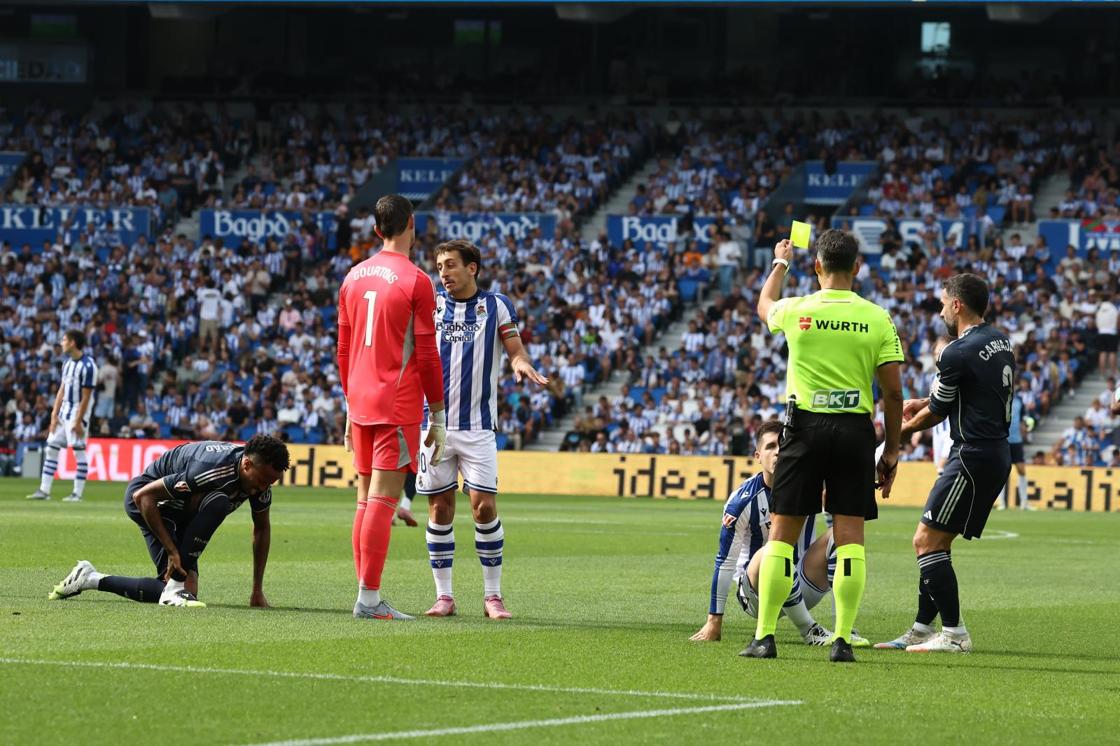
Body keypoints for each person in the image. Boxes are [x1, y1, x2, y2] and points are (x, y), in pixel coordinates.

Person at [742, 231, 904, 663]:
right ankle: (844, 641)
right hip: (855, 431)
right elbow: (893, 394)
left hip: (804, 428)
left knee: (782, 534)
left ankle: (765, 638)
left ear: (817, 267)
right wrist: (891, 451)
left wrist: (780, 263)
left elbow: (763, 306)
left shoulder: (797, 309)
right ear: (857, 268)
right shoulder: (878, 318)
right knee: (850, 539)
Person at [876, 274, 1014, 654]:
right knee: (938, 542)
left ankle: (954, 634)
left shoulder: (956, 350)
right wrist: (922, 402)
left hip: (971, 456)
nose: (940, 311)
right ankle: (922, 628)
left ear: (957, 305)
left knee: (925, 540)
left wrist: (899, 431)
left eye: (942, 303)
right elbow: (968, 392)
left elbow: (939, 410)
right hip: (992, 452)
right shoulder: (1000, 340)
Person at [419, 239, 549, 619]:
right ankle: (444, 597)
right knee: (439, 509)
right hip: (435, 426)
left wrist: (521, 363)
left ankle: (493, 596)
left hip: (478, 427)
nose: (443, 273)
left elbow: (515, 347)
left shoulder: (496, 305)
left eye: (450, 265)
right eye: (440, 266)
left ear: (472, 268)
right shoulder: (431, 306)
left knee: (484, 507)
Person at [337, 194, 447, 621]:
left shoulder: (353, 276)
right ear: (411, 224)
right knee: (383, 500)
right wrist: (436, 415)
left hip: (361, 401)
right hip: (396, 402)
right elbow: (426, 356)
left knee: (364, 500)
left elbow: (344, 349)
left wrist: (349, 404)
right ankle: (368, 599)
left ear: (376, 229)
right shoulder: (416, 280)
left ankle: (365, 593)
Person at [48, 435, 289, 608]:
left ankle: (90, 578)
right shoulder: (211, 470)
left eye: (271, 482)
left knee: (188, 593)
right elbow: (142, 497)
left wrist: (257, 590)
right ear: (247, 464)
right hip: (151, 503)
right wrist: (173, 551)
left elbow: (262, 529)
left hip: (183, 508)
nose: (263, 489)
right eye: (263, 480)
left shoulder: (259, 483)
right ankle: (171, 588)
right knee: (217, 502)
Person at [689, 420, 869, 647]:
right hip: (756, 593)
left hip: (803, 582)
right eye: (770, 447)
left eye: (783, 446)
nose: (778, 453)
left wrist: (830, 508)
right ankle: (809, 629)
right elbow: (724, 563)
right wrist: (714, 621)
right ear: (757, 456)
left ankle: (844, 629)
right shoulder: (742, 501)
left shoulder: (809, 487)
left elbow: (837, 527)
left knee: (841, 537)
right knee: (772, 551)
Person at [26, 330, 98, 503]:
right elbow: (62, 390)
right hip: (63, 411)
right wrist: (54, 414)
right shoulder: (66, 363)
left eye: (64, 339)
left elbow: (87, 396)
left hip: (77, 413)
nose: (62, 342)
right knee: (51, 448)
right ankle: (44, 490)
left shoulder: (89, 366)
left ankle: (77, 494)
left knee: (79, 452)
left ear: (73, 342)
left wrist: (79, 421)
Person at [998, 386, 1030, 510]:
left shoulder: (1019, 401)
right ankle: (1002, 503)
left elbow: (1022, 420)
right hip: (1003, 440)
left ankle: (1024, 503)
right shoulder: (1000, 399)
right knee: (1002, 472)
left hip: (1016, 440)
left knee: (1021, 469)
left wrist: (1024, 431)